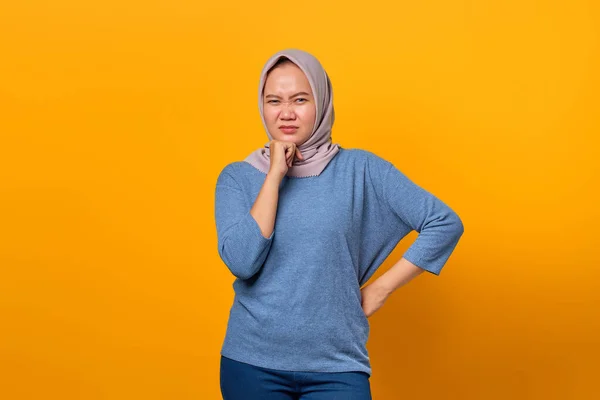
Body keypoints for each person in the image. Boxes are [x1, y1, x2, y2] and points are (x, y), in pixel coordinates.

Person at [215, 48, 464, 399]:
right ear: (262, 106)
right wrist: (274, 175)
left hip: (337, 365)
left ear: (321, 102)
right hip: (252, 362)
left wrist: (380, 289)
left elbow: (443, 222)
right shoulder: (238, 178)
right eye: (274, 101)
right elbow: (241, 261)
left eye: (300, 99)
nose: (286, 113)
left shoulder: (361, 171)